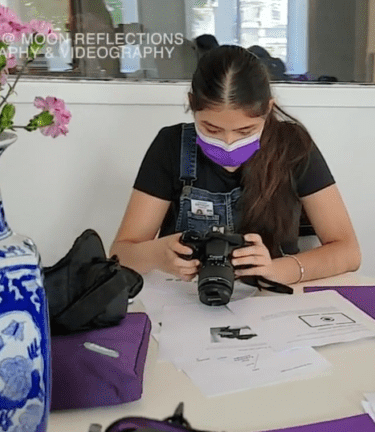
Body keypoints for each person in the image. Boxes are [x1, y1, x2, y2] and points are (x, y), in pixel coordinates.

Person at [110, 45, 361, 285]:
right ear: (191, 104)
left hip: (271, 298)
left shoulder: (292, 146)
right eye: (212, 129)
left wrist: (277, 270)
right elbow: (120, 253)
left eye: (245, 130)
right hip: (187, 301)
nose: (228, 142)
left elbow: (348, 251)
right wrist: (157, 254)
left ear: (268, 109)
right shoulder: (171, 146)